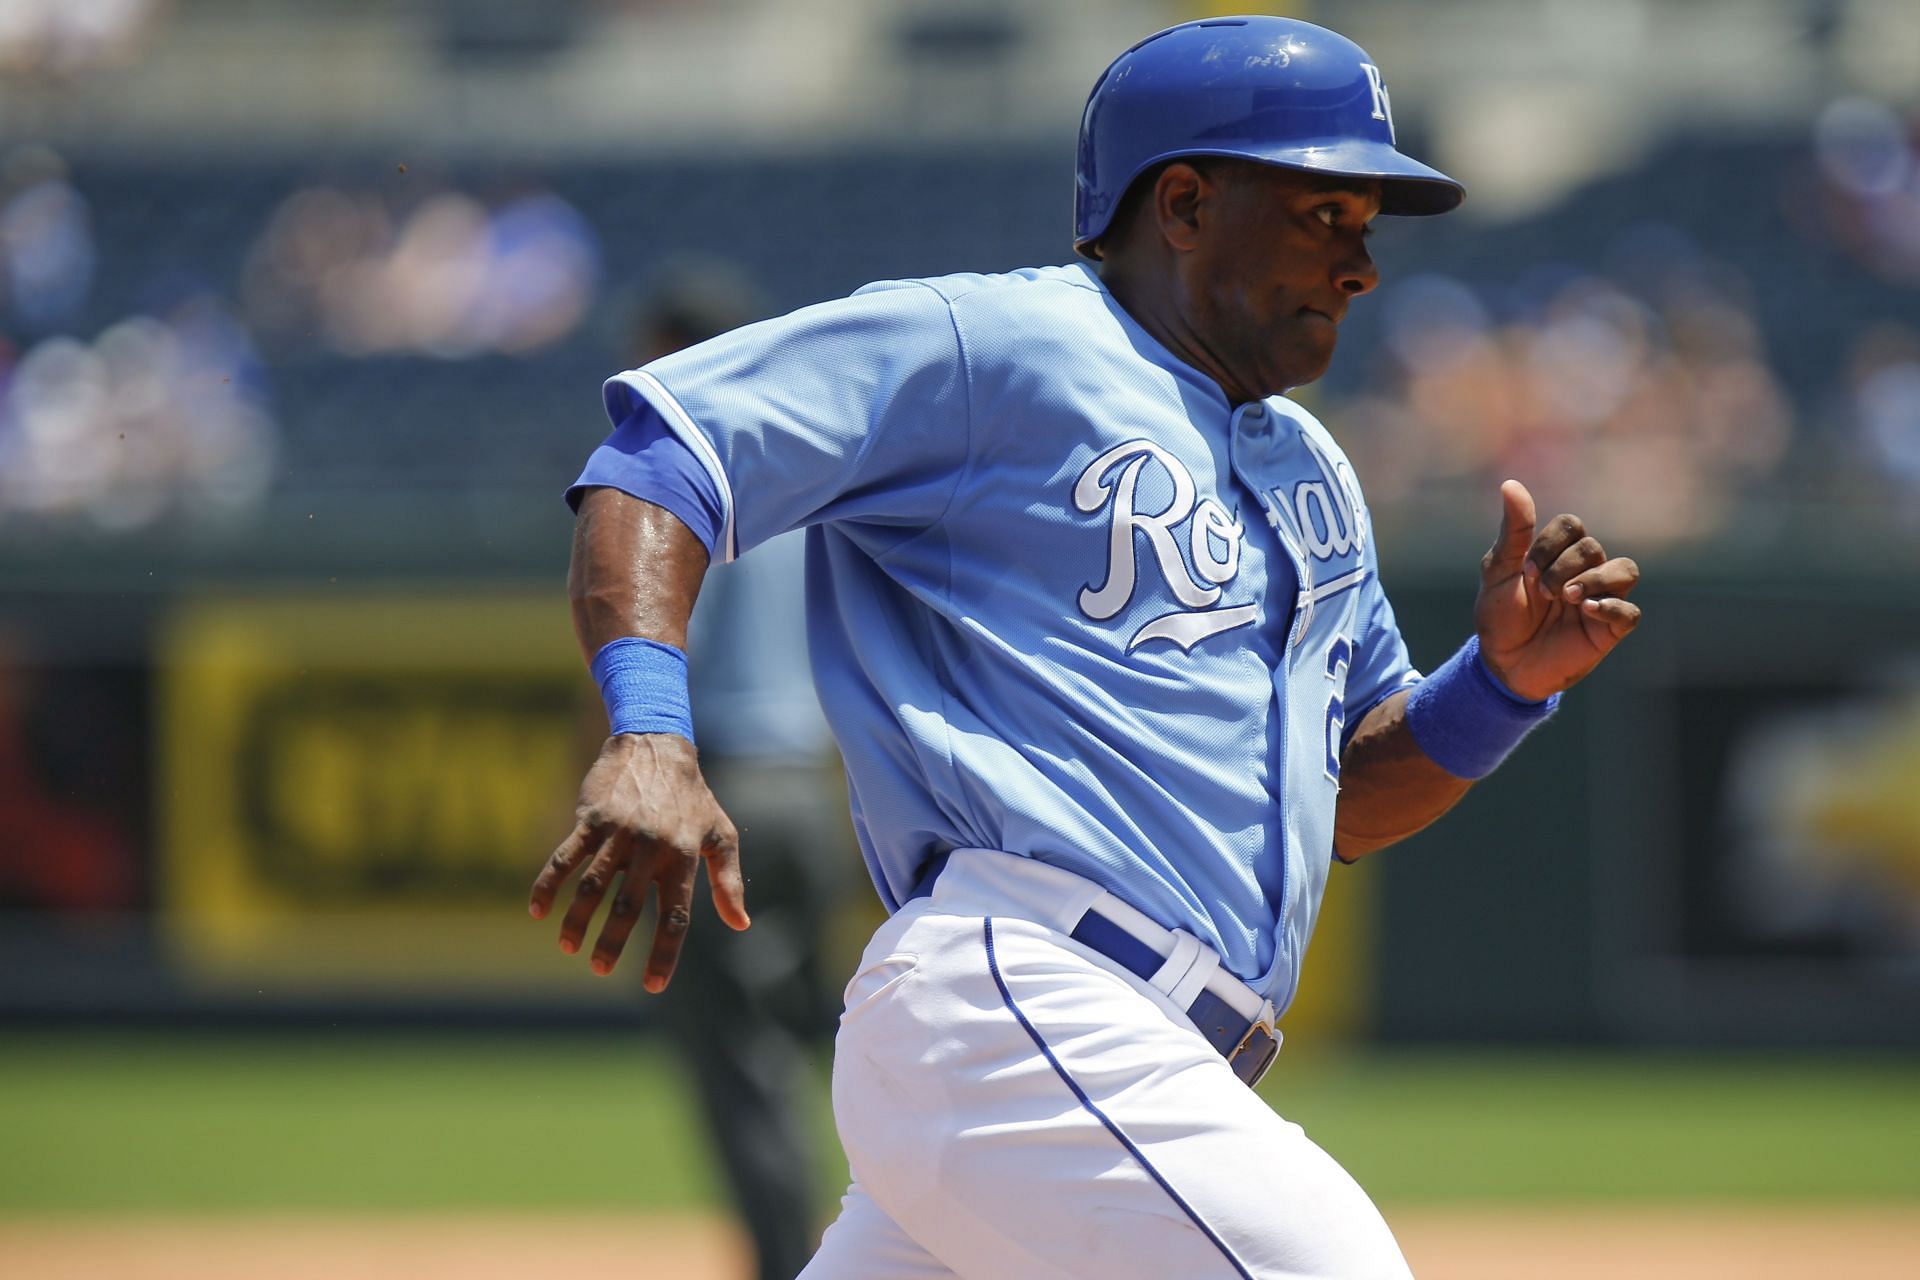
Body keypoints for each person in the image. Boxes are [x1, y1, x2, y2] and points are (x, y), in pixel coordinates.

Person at [533, 16, 1642, 1278]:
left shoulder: (1313, 468)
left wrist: (1501, 688)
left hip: (1117, 1061)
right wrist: (649, 728)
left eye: (1366, 222)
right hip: (1026, 993)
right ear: (1180, 201)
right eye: (1323, 214)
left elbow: (1354, 796)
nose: (1362, 265)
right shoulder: (993, 345)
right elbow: (664, 456)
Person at [621, 263, 845, 1280]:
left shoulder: (670, 477)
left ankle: (795, 1267)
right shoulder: (801, 476)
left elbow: (650, 645)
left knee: (743, 1066)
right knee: (843, 1055)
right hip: (814, 790)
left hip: (723, 791)